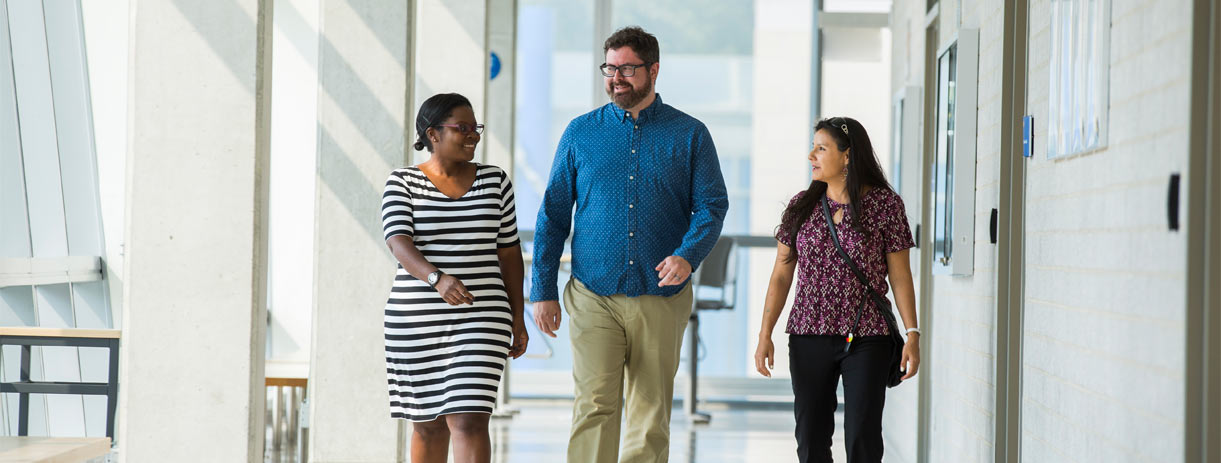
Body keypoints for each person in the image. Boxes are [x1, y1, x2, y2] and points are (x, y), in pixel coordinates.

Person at [530, 26, 730, 463]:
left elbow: (712, 205)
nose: (616, 78)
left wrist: (687, 254)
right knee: (594, 406)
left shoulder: (690, 134)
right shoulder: (580, 133)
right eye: (610, 68)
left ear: (653, 70)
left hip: (661, 295)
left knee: (649, 411)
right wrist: (542, 289)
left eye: (627, 69)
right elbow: (553, 214)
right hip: (592, 292)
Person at [753, 117, 921, 463]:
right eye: (813, 147)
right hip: (808, 333)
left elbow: (900, 275)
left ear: (847, 156)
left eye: (821, 148)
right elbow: (781, 274)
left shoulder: (886, 206)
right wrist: (764, 333)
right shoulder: (802, 205)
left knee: (863, 435)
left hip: (867, 335)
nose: (811, 155)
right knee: (811, 436)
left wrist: (913, 332)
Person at [381, 93, 528, 463]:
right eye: (462, 128)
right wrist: (437, 279)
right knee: (427, 424)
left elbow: (509, 254)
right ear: (432, 133)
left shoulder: (495, 182)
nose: (473, 136)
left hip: (482, 316)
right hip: (415, 322)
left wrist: (518, 317)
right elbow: (398, 242)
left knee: (469, 419)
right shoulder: (403, 182)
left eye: (475, 128)